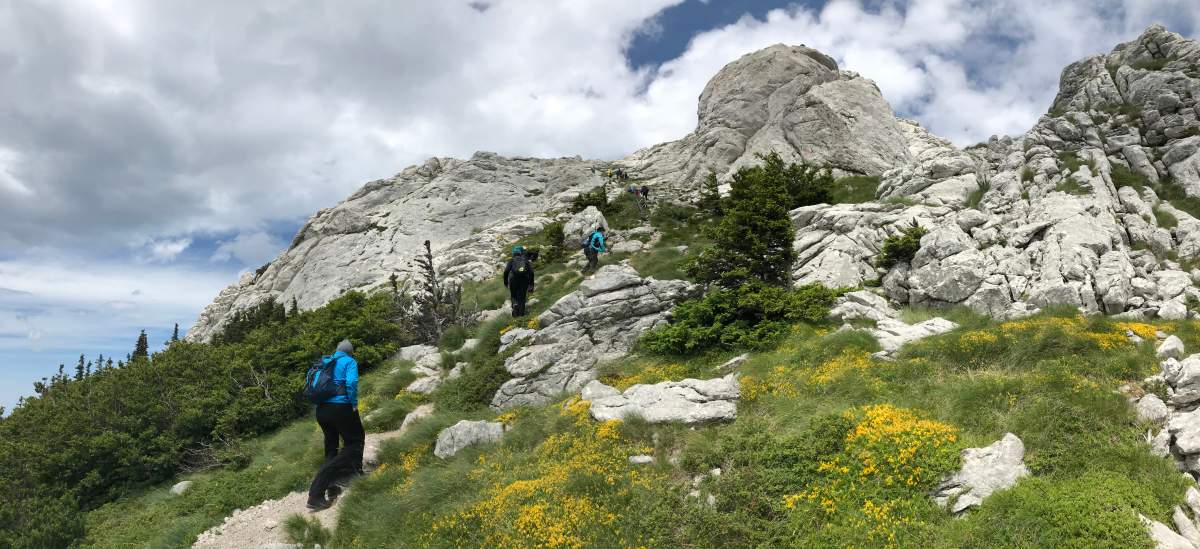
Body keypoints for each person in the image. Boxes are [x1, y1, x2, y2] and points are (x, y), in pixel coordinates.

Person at [306, 339, 364, 511]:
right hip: (341, 407)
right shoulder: (349, 361)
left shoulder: (325, 361)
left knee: (332, 449)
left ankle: (332, 487)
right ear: (350, 351)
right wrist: (353, 403)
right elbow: (351, 383)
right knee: (354, 443)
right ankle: (316, 490)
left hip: (322, 411)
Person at [503, 246, 536, 317]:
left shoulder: (511, 260)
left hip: (513, 280)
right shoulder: (525, 260)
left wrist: (506, 282)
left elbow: (506, 271)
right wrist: (531, 284)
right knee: (522, 297)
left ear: (513, 254)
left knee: (513, 295)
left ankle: (515, 305)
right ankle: (521, 315)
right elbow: (531, 272)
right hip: (524, 280)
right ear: (520, 253)